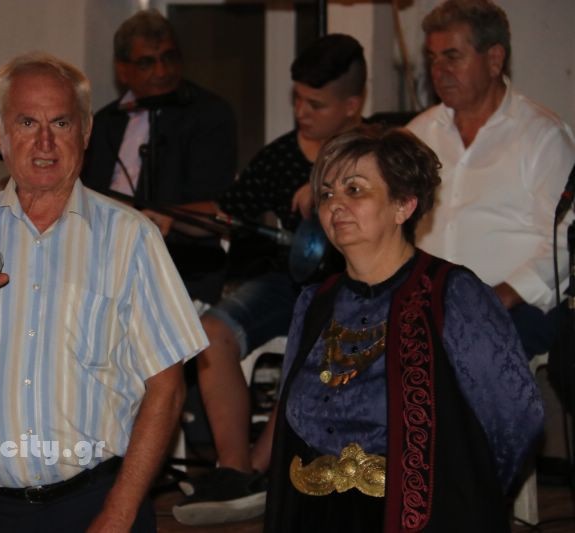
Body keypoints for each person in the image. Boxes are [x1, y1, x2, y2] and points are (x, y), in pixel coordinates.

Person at [0, 51, 208, 532]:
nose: (45, 142)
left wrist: (118, 513)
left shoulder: (130, 237)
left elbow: (168, 389)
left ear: (86, 132)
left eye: (61, 123)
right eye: (27, 122)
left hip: (97, 503)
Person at [265, 124, 544, 532]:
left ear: (403, 205)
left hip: (422, 517)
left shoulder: (453, 294)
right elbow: (288, 425)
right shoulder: (313, 303)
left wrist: (468, 492)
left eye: (354, 190)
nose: (336, 205)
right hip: (312, 517)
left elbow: (516, 416)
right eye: (326, 194)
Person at [171, 34, 365, 526]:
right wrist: (167, 217)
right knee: (211, 331)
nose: (301, 112)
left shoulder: (377, 150)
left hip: (350, 289)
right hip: (283, 283)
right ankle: (234, 468)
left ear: (352, 105)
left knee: (313, 338)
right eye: (297, 99)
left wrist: (328, 185)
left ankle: (255, 469)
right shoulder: (279, 156)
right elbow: (226, 212)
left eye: (315, 104)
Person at [406, 0, 575, 359]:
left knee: (454, 360)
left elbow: (566, 239)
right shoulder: (417, 134)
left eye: (452, 57)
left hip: (516, 308)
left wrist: (502, 295)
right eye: (433, 58)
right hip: (427, 306)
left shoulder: (542, 136)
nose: (439, 71)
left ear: (495, 59)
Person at [81, 8, 237, 304]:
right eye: (147, 63)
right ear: (122, 70)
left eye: (169, 57)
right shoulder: (104, 123)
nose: (162, 71)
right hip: (105, 263)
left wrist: (162, 217)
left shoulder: (209, 115)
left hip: (182, 267)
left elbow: (218, 205)